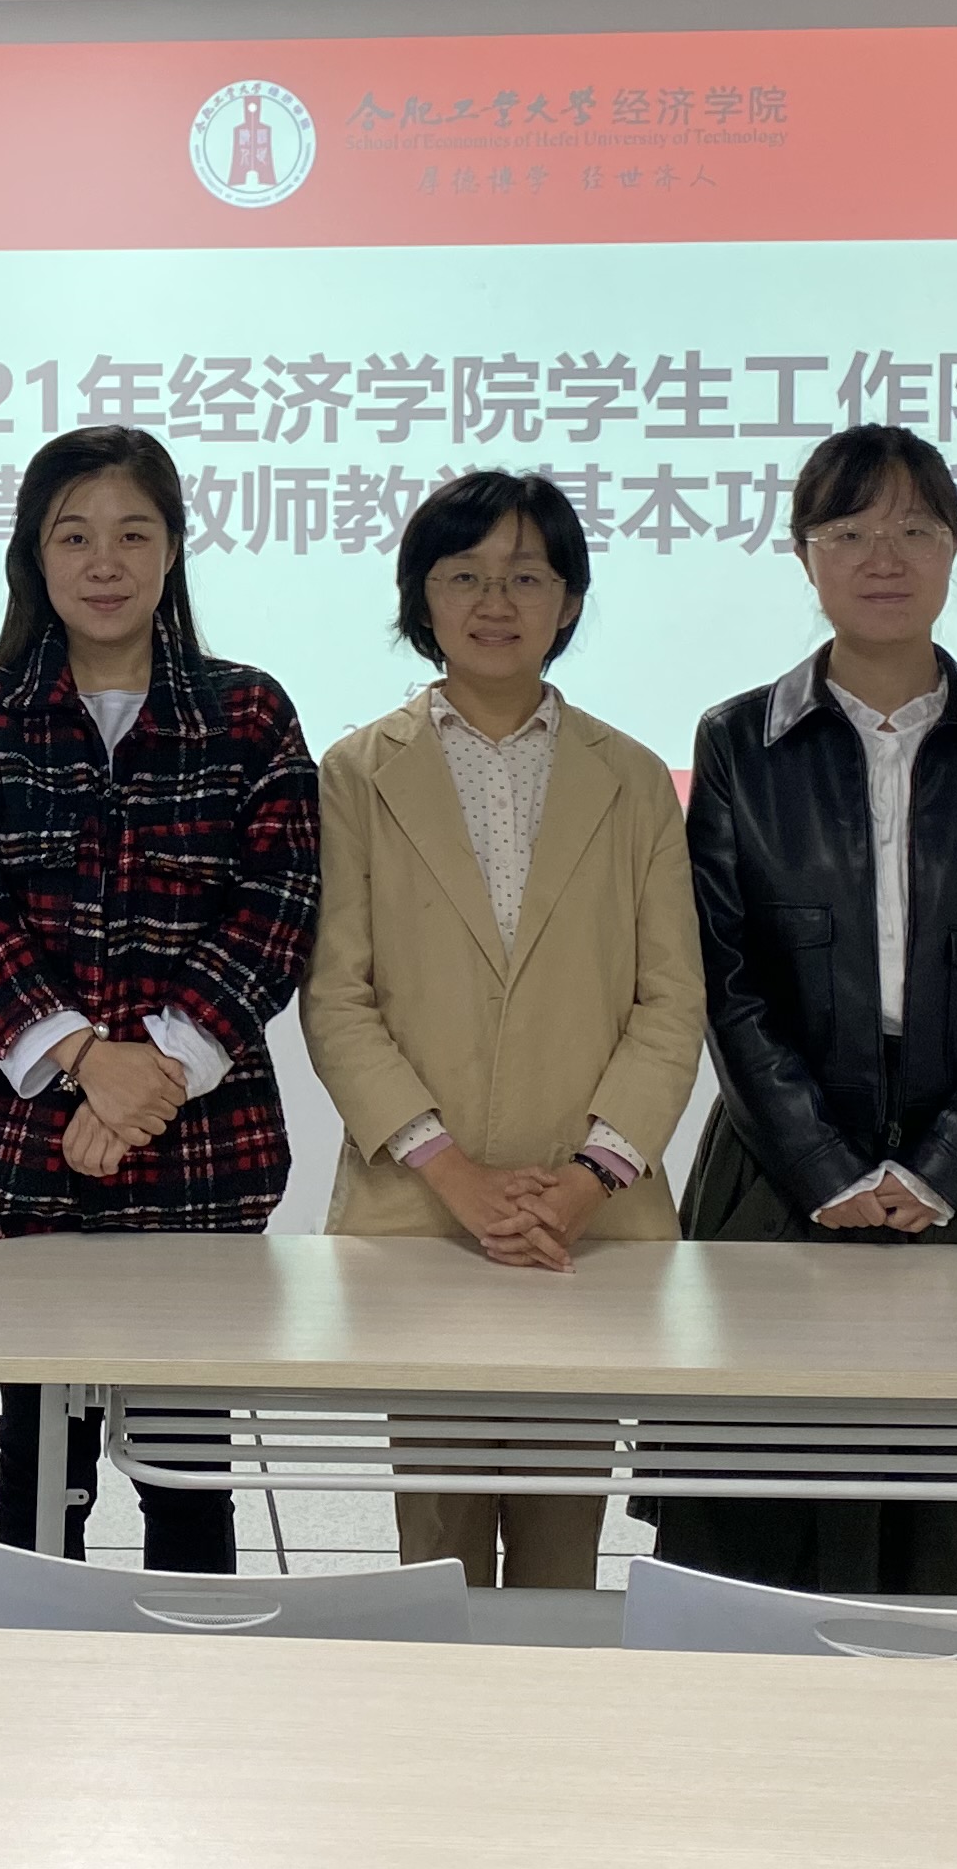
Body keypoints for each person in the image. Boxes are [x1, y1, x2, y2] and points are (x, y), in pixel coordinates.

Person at [649, 422, 957, 1599]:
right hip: (777, 1173)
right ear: (804, 555)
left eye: (916, 529)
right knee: (766, 1527)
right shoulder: (738, 742)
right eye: (851, 530)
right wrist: (822, 1166)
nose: (884, 555)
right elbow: (724, 974)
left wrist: (940, 1170)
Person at [0, 424, 320, 1573]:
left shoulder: (249, 716)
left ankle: (195, 1669)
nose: (104, 562)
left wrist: (156, 1077)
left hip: (203, 1158)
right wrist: (90, 1062)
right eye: (74, 536)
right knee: (40, 1470)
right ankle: (34, 1672)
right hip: (22, 1158)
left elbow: (277, 906)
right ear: (34, 556)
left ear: (173, 550)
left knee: (190, 1464)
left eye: (133, 534)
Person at [303, 470, 707, 1592]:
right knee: (435, 1548)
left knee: (563, 1547)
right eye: (464, 575)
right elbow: (337, 997)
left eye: (528, 576)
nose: (496, 601)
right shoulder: (354, 774)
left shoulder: (632, 777)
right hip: (419, 1212)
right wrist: (457, 1176)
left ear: (568, 601)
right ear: (420, 597)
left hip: (589, 1223)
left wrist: (589, 1179)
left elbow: (671, 1001)